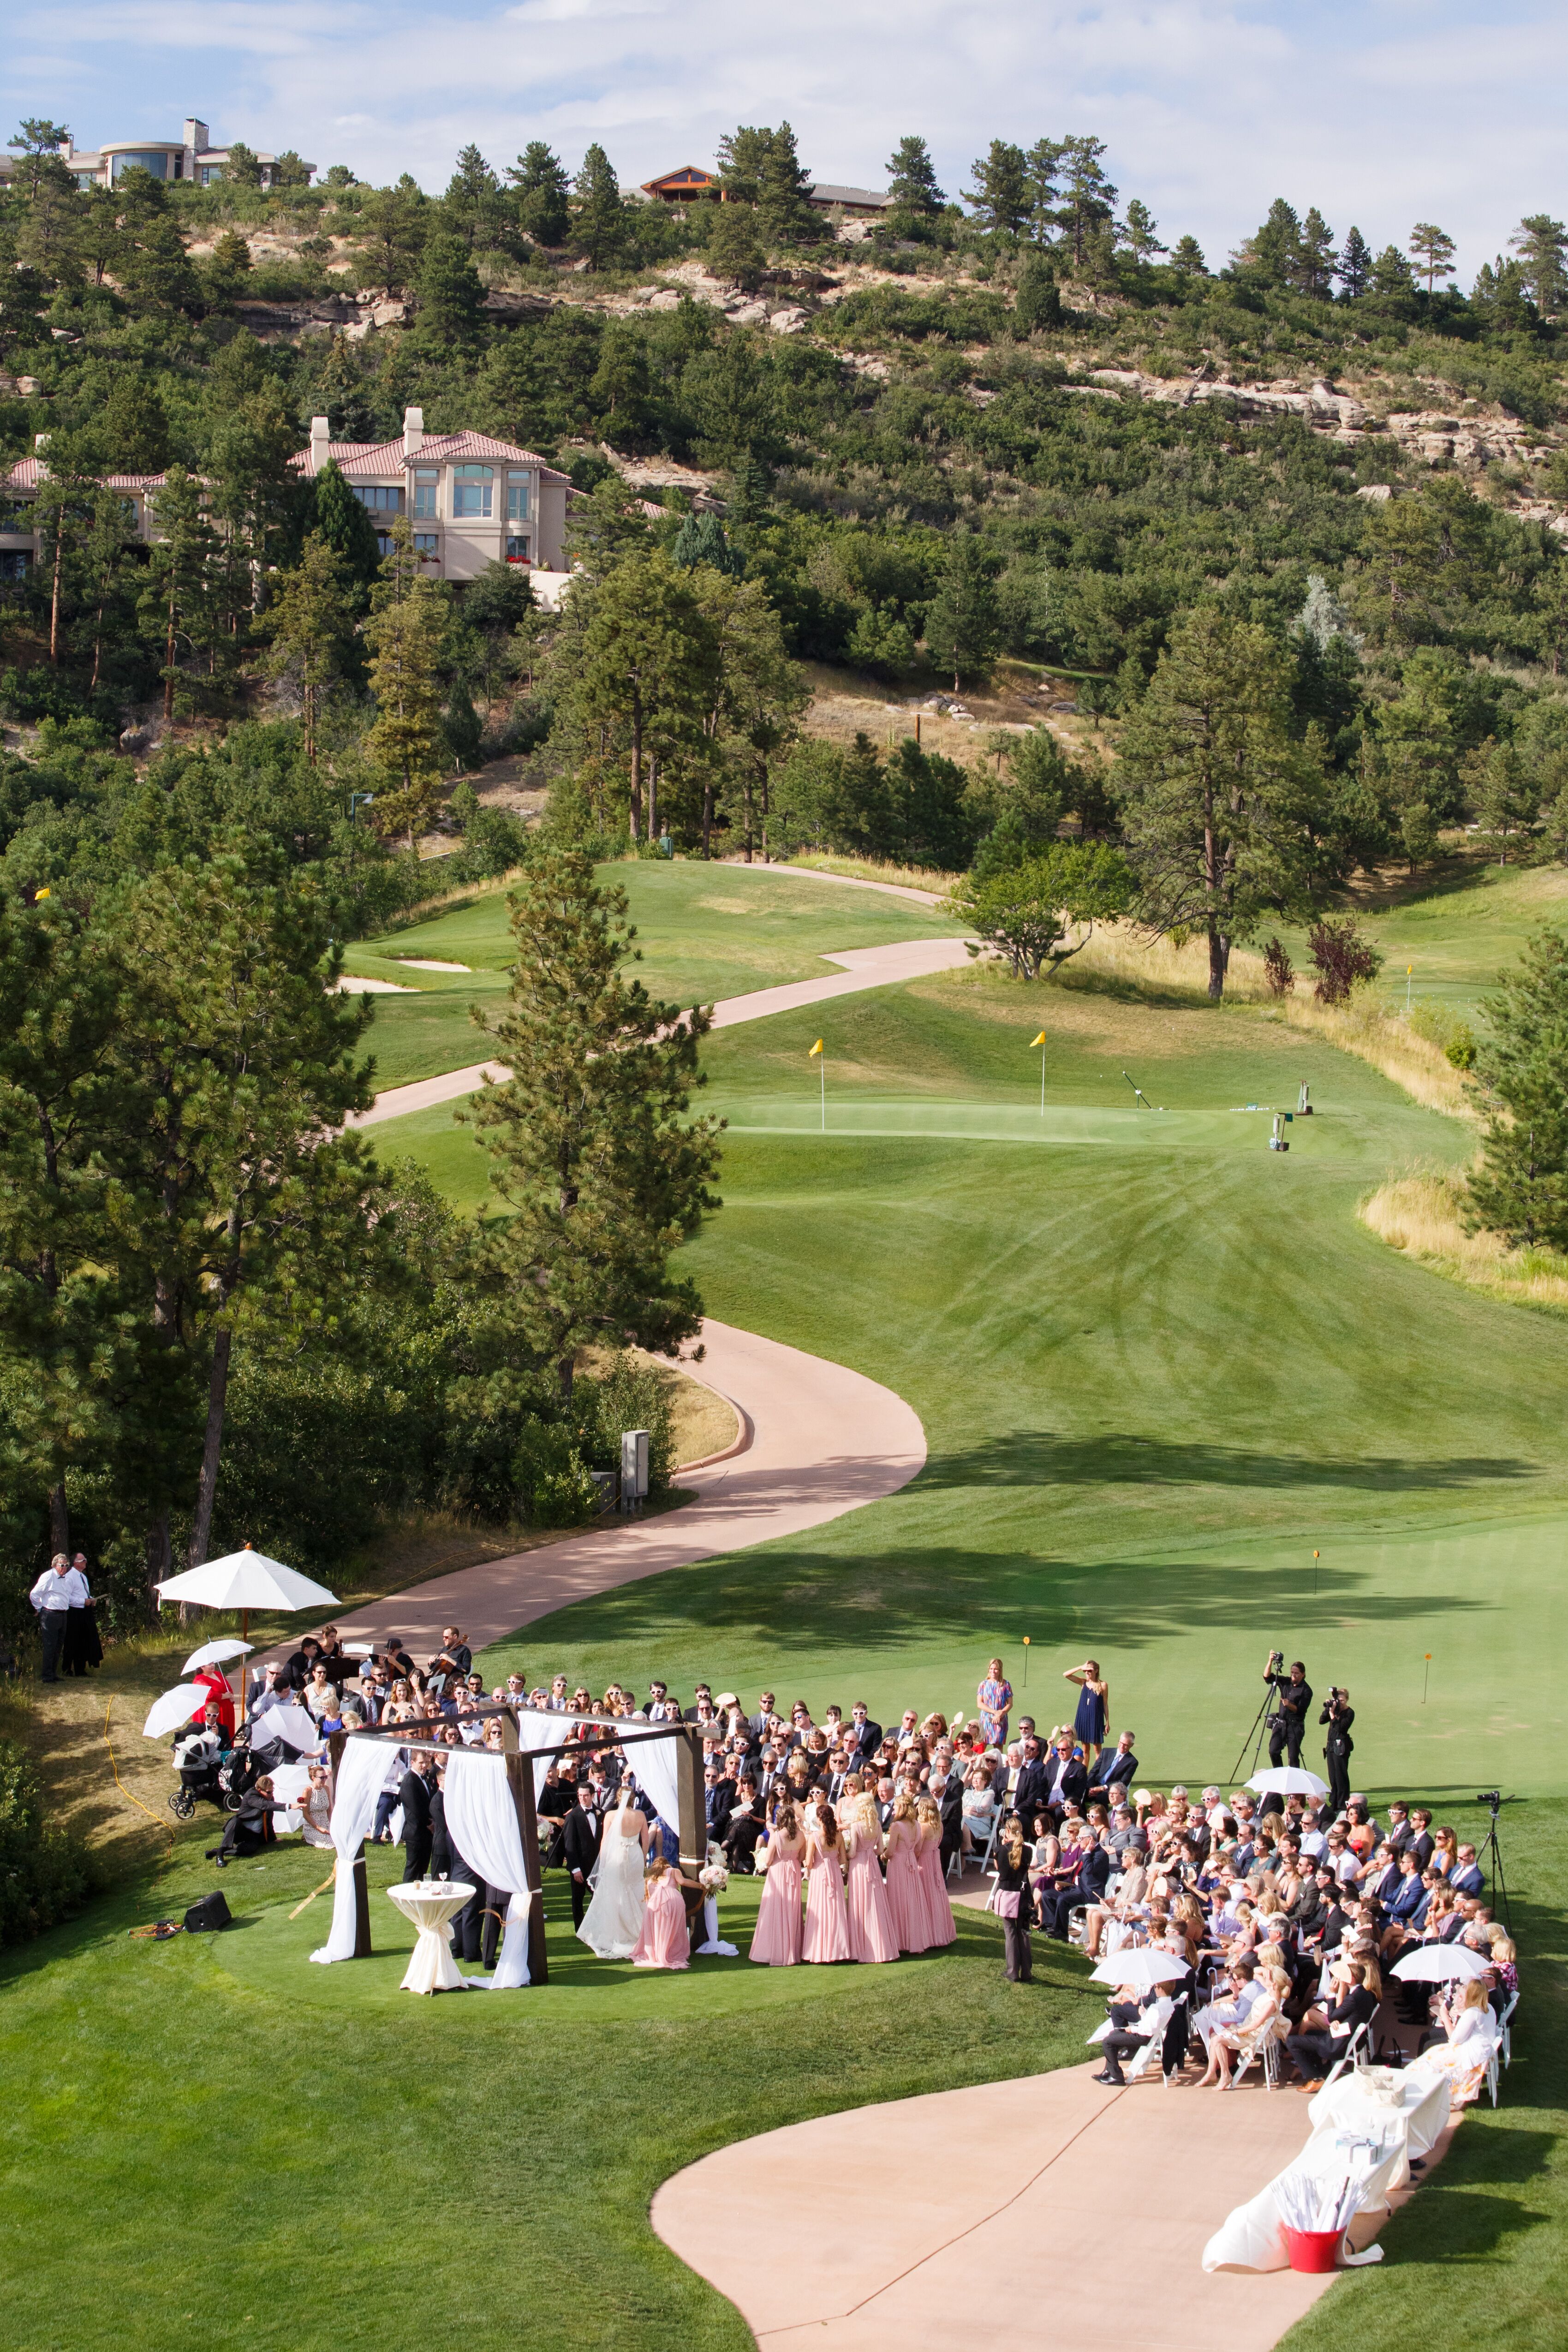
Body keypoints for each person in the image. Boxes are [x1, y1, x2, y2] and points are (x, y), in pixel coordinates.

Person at [578, 1783, 650, 1958]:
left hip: (617, 1855)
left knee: (616, 1892)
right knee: (635, 1888)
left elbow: (604, 1841)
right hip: (635, 1855)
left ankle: (618, 1933)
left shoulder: (611, 1815)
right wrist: (643, 1856)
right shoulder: (640, 1815)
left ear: (618, 1799)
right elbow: (646, 1841)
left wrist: (603, 1861)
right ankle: (641, 1931)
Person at [1284, 1958, 1377, 2088]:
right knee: (1309, 2032)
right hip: (1350, 2038)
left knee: (1291, 2041)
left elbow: (1333, 2016)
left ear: (1352, 1979)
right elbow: (1344, 2015)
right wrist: (1337, 2020)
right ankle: (1321, 2071)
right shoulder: (1365, 1994)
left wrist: (1332, 1995)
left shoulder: (1353, 1998)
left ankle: (1316, 2079)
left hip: (1337, 2044)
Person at [843, 1792, 900, 1963]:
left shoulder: (856, 1826)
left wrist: (844, 1853)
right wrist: (869, 1851)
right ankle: (881, 1946)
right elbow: (880, 1850)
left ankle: (861, 1948)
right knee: (875, 1903)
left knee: (859, 1904)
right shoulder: (876, 1824)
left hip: (859, 1867)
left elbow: (852, 1853)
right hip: (873, 1866)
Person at [750, 1801, 805, 1965]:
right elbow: (802, 1858)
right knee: (792, 1909)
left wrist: (763, 1858)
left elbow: (768, 1861)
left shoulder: (776, 1837)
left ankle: (773, 1950)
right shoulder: (801, 1835)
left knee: (774, 1909)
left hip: (778, 1871)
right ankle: (792, 1950)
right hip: (793, 1871)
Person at [802, 1801, 853, 1963]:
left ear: (819, 1819)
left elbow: (809, 1862)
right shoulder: (839, 1836)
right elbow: (843, 1859)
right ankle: (838, 1950)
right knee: (835, 1910)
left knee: (819, 1910)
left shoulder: (815, 1837)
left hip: (820, 1875)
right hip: (834, 1873)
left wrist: (805, 1863)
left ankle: (820, 1950)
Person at [30, 1553, 88, 1685]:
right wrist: (39, 1608)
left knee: (58, 1646)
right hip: (50, 1614)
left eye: (67, 1565)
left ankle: (53, 1673)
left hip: (62, 1614)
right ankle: (46, 1675)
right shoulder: (48, 1577)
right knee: (50, 1646)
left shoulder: (65, 1578)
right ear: (55, 1565)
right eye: (62, 1565)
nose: (64, 1568)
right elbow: (34, 1594)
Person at [205, 1776, 288, 1865]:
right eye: (269, 1792)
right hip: (240, 1830)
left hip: (253, 1835)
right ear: (260, 1790)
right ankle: (220, 1854)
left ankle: (215, 1852)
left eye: (273, 1791)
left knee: (250, 1850)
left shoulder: (270, 1799)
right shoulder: (251, 1795)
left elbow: (269, 1820)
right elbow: (264, 1805)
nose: (271, 1794)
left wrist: (273, 1839)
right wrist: (289, 1806)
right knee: (235, 1821)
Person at [990, 1815, 1034, 1982]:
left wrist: (1002, 1845)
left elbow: (1000, 1870)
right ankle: (1027, 1972)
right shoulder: (1028, 1850)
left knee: (1010, 1933)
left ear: (1007, 1831)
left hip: (1008, 1894)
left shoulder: (1001, 1850)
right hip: (1023, 1895)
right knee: (1023, 1932)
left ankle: (1013, 1971)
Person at [630, 1856, 692, 1970]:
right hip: (673, 1902)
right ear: (667, 1864)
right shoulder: (673, 1871)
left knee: (658, 1931)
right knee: (673, 1930)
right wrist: (701, 1885)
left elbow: (648, 1896)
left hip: (655, 1906)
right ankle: (670, 1953)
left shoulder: (650, 1878)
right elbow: (683, 1882)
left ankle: (658, 1954)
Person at [913, 1794, 958, 1948]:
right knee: (936, 1895)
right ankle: (940, 1931)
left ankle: (929, 1933)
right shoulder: (939, 1825)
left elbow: (917, 1850)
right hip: (934, 1862)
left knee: (925, 1895)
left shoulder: (923, 1827)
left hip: (924, 1862)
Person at [884, 1792, 926, 1953]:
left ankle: (900, 1939)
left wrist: (882, 1854)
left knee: (898, 1900)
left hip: (899, 1865)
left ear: (901, 1807)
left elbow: (890, 1852)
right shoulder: (916, 1824)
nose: (894, 1808)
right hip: (911, 1865)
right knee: (912, 1900)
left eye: (896, 1805)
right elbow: (917, 1849)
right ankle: (914, 1939)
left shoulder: (897, 1826)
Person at [1264, 1654, 1313, 1770]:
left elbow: (1301, 1711)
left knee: (1293, 1757)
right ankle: (1279, 1773)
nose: (1293, 1675)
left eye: (1296, 1673)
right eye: (1292, 1673)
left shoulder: (1306, 1690)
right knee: (1273, 1751)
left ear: (1303, 1674)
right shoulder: (1285, 1682)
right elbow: (1267, 1678)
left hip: (1295, 1726)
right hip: (1281, 1724)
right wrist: (1270, 1662)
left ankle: (1294, 1782)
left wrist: (1289, 1705)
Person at [398, 1753, 436, 1880]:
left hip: (425, 1834)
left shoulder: (425, 1778)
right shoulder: (409, 1781)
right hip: (416, 1833)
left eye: (426, 1762)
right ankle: (406, 1897)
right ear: (412, 1763)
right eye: (421, 1763)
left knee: (422, 1869)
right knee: (413, 1869)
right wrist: (430, 1824)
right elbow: (416, 1809)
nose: (425, 1765)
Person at [1064, 1658, 1109, 1763]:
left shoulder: (1103, 1685)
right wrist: (1081, 1667)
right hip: (1083, 1717)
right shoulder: (1083, 1682)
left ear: (1096, 1671)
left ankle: (1096, 1774)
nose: (1087, 1673)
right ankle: (1085, 1773)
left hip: (1096, 1718)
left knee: (1097, 1749)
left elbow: (1105, 1705)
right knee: (1085, 1748)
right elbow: (1066, 1675)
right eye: (1086, 1671)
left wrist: (1107, 1723)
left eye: (1090, 1671)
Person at [1320, 1686, 1355, 1813]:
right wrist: (1328, 1709)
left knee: (1341, 1777)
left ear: (1347, 1700)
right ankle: (1334, 1803)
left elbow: (1341, 1728)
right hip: (1330, 1747)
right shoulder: (1334, 1710)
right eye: (1338, 1700)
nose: (1340, 1703)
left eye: (1343, 1701)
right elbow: (1322, 1721)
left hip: (1341, 1747)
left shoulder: (1350, 1713)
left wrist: (1332, 1715)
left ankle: (1342, 1805)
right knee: (1333, 1777)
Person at [1088, 1729, 1139, 1796]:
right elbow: (1094, 1771)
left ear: (1131, 1745)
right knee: (1078, 1794)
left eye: (1126, 1745)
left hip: (1111, 1790)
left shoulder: (1132, 1762)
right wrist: (1091, 1788)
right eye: (1121, 1743)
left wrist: (1103, 1787)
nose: (1122, 1747)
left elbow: (1123, 1782)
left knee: (1101, 1799)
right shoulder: (1106, 1752)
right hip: (1095, 1784)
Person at [977, 1659, 1013, 1748]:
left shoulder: (1006, 1684)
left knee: (998, 1747)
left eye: (996, 1669)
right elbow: (980, 1704)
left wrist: (1000, 1714)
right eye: (991, 1669)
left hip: (1000, 1720)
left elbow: (1010, 1704)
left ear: (1000, 1670)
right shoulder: (983, 1684)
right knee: (982, 1746)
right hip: (986, 1719)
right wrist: (994, 1712)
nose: (993, 1671)